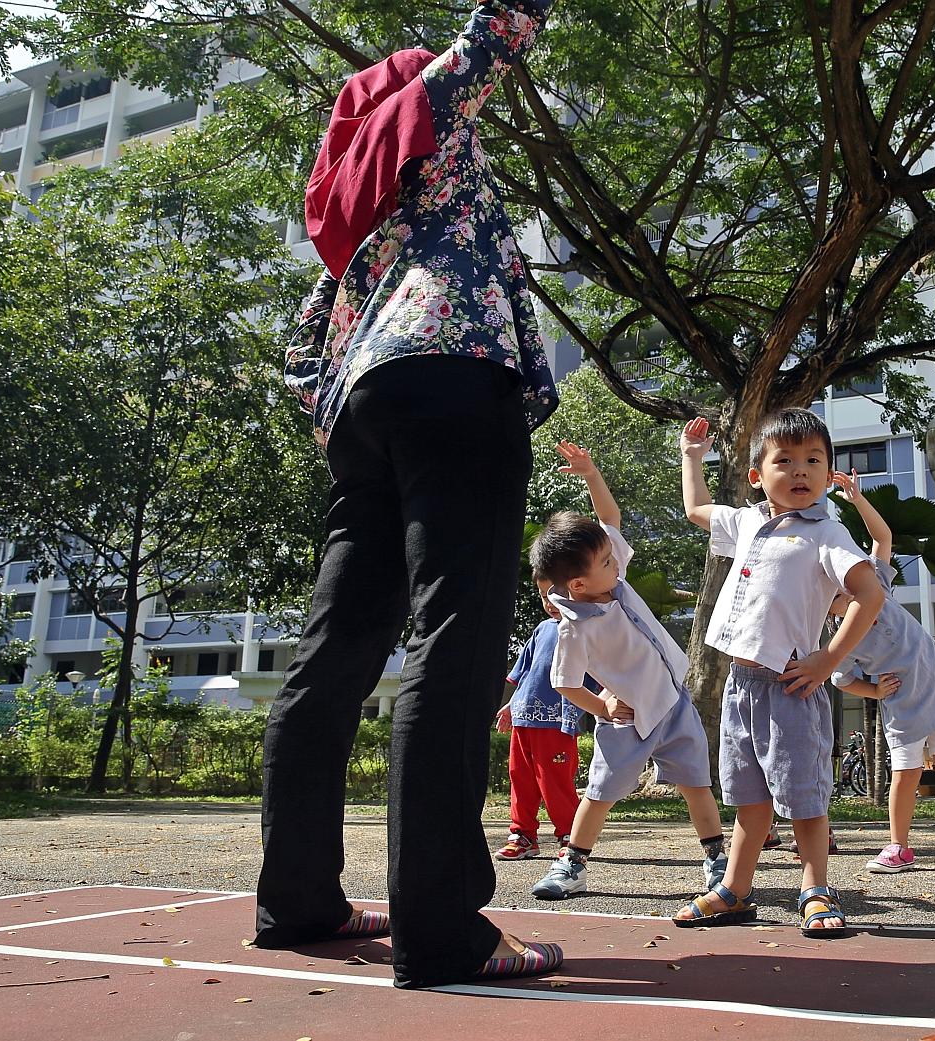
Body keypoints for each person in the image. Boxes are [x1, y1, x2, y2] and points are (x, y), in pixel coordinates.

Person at [256, 0, 562, 988]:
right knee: (456, 635)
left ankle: (299, 900)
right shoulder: (427, 114)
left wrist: (338, 418)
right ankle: (443, 928)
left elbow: (305, 357)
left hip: (366, 413)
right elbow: (498, 34)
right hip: (454, 381)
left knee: (334, 656)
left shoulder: (353, 213)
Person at [677, 410, 884, 936]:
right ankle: (735, 891)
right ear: (757, 475)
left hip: (792, 684)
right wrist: (692, 457)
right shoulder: (747, 521)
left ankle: (815, 888)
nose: (800, 471)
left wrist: (828, 659)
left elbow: (870, 593)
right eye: (785, 460)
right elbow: (697, 508)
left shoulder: (827, 533)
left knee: (803, 798)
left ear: (829, 473)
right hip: (740, 686)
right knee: (749, 798)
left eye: (814, 460)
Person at [528, 442, 727, 901]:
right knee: (600, 792)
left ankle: (716, 859)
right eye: (604, 561)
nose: (616, 561)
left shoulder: (609, 576)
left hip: (674, 703)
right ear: (577, 584)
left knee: (697, 784)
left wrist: (592, 474)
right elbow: (565, 683)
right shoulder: (575, 629)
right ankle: (572, 865)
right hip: (629, 719)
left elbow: (610, 521)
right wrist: (602, 705)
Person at [826, 471, 935, 877]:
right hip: (901, 703)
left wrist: (856, 499)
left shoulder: (874, 584)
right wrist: (876, 691)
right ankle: (899, 845)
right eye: (831, 591)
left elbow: (881, 540)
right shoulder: (833, 637)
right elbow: (840, 678)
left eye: (842, 584)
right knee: (906, 774)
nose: (843, 591)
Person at [492, 577, 587, 860]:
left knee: (555, 781)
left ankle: (571, 835)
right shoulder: (541, 630)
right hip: (524, 719)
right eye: (544, 595)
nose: (550, 602)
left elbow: (593, 679)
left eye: (557, 594)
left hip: (558, 721)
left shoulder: (584, 631)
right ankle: (522, 836)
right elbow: (525, 674)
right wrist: (511, 705)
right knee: (520, 778)